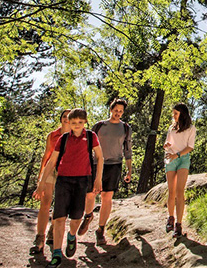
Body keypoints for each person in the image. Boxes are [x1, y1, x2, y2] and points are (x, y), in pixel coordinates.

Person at [35, 108, 103, 267]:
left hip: (81, 181)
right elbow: (52, 161)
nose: (77, 125)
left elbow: (100, 157)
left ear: (85, 122)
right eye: (73, 123)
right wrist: (41, 183)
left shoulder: (91, 136)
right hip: (63, 180)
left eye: (80, 122)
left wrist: (98, 179)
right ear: (68, 123)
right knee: (59, 218)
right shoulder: (63, 139)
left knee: (76, 217)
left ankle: (72, 235)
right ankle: (57, 253)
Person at [78, 98, 133, 245]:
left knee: (107, 197)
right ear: (111, 109)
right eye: (116, 110)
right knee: (90, 195)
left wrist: (129, 170)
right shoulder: (99, 126)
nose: (118, 113)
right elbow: (87, 146)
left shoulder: (126, 128)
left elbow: (127, 150)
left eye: (121, 111)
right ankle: (88, 216)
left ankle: (100, 230)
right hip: (96, 164)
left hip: (115, 164)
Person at [30, 109, 71, 255]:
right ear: (61, 119)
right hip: (51, 170)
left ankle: (53, 230)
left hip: (66, 172)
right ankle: (39, 238)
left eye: (69, 117)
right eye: (64, 116)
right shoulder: (52, 135)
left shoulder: (77, 136)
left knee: (61, 205)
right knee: (45, 202)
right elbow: (46, 155)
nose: (66, 119)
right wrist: (40, 176)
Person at [163, 103, 196, 238]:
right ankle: (171, 218)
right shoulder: (171, 128)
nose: (173, 116)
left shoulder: (191, 129)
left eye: (176, 113)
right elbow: (167, 145)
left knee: (180, 191)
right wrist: (166, 146)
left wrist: (177, 155)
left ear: (182, 114)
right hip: (170, 159)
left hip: (183, 159)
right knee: (171, 192)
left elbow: (190, 147)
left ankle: (179, 224)